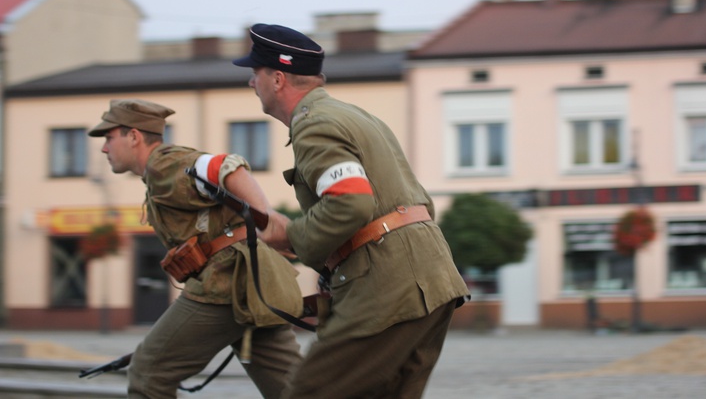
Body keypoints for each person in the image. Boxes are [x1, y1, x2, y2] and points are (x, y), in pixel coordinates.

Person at [233, 23, 471, 398]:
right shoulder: (357, 116)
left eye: (254, 73)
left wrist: (290, 234)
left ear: (277, 79)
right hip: (432, 280)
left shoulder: (314, 125)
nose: (251, 83)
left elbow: (350, 200)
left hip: (387, 290)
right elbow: (418, 202)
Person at [88, 99, 303, 399]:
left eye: (109, 138)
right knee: (292, 389)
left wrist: (264, 215)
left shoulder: (163, 163)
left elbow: (225, 167)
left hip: (225, 283)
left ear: (134, 136)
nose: (104, 148)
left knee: (148, 372)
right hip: (253, 284)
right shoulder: (159, 172)